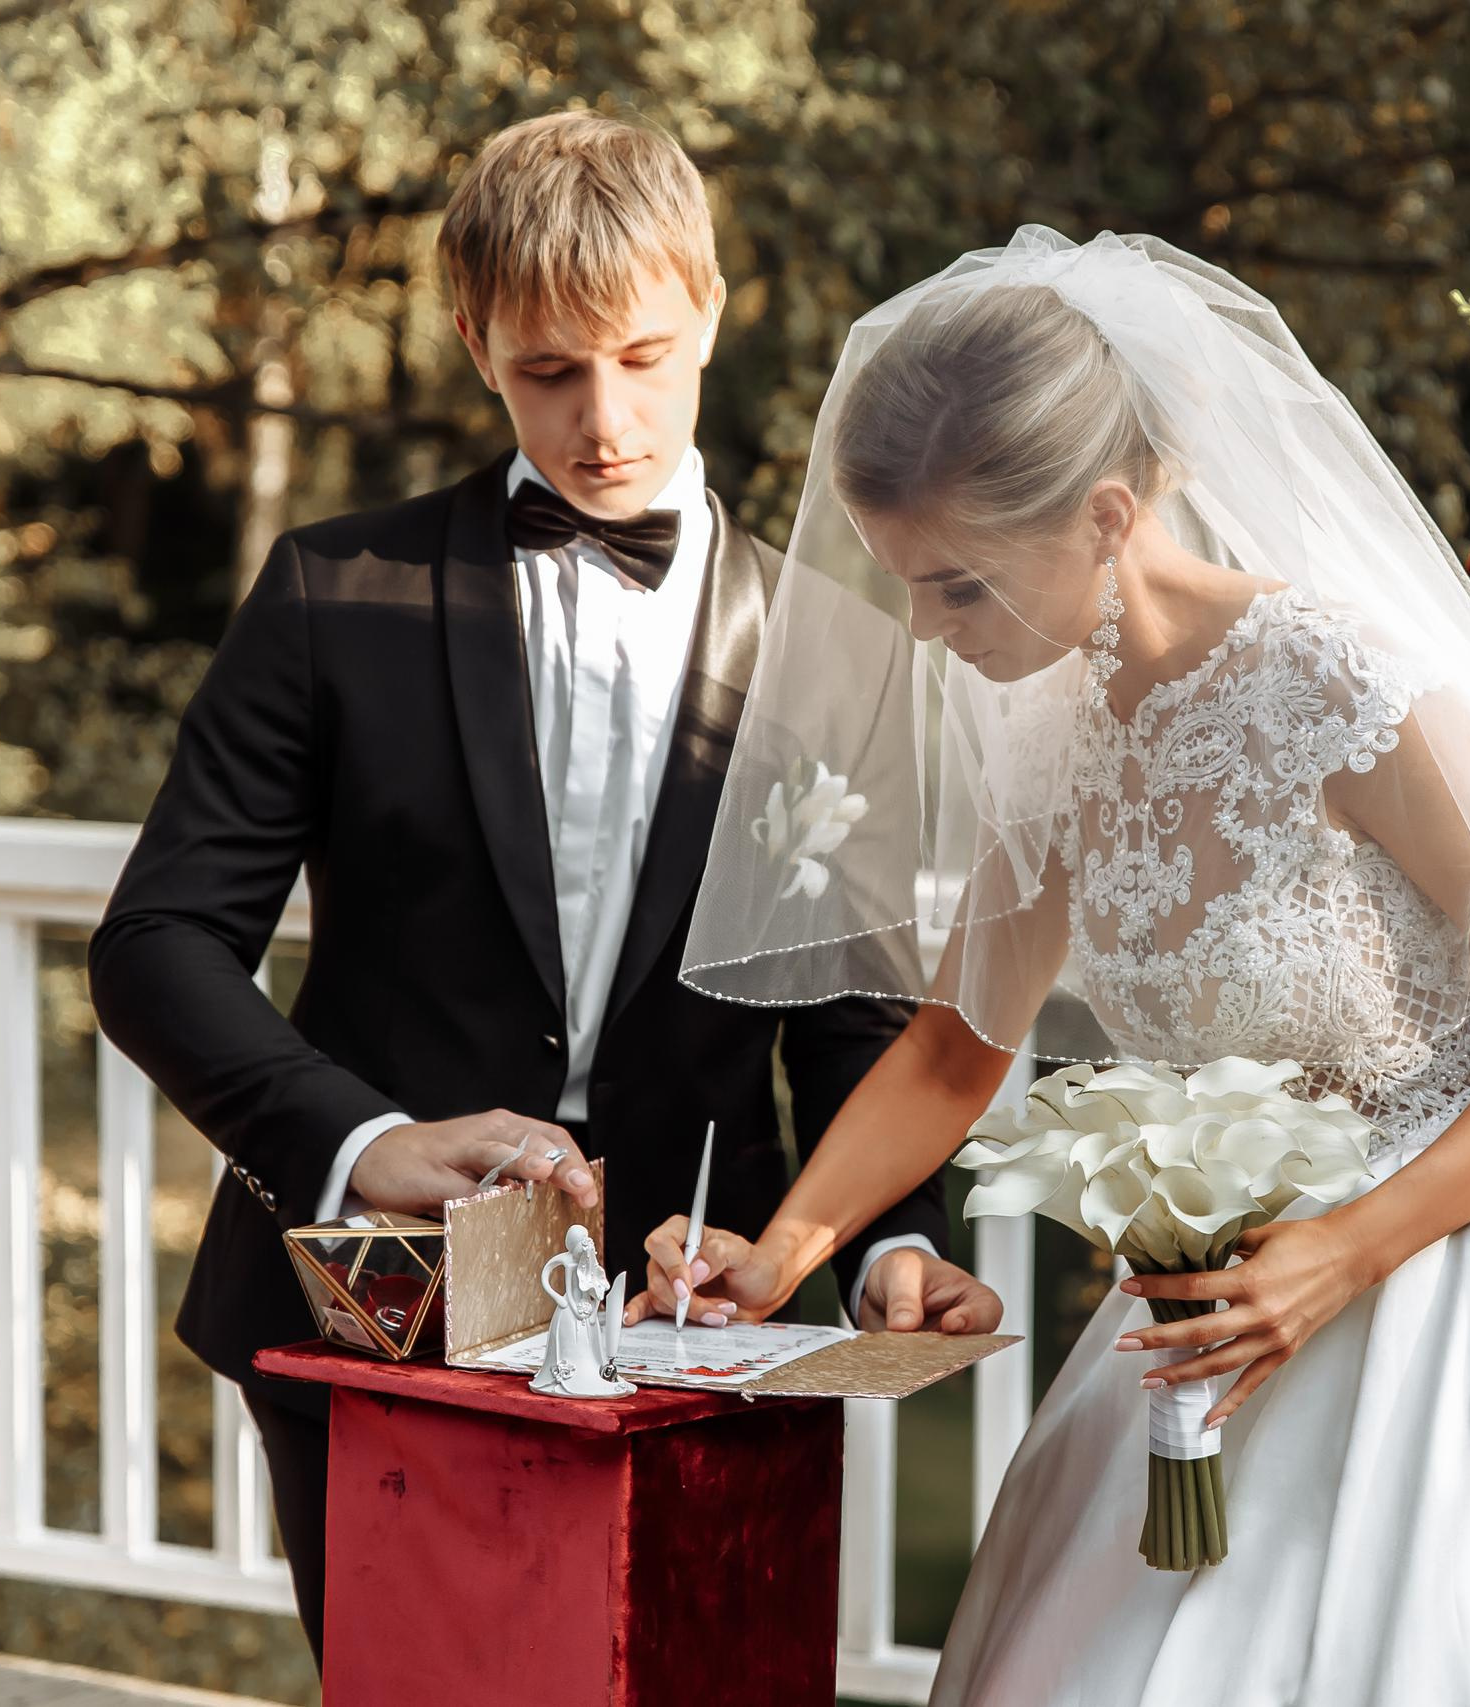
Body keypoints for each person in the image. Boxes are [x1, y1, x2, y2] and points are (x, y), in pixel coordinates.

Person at [638, 229, 1470, 1703]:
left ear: (1106, 516)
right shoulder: (1048, 729)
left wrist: (1351, 1251)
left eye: (959, 586)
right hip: (1212, 1314)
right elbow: (956, 1049)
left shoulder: (1342, 682)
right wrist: (776, 1258)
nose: (924, 628)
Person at [88, 112, 999, 1667]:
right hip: (378, 1308)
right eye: (550, 371)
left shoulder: (842, 648)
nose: (605, 422)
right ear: (472, 342)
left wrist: (893, 1236)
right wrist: (364, 1144)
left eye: (645, 356)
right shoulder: (329, 593)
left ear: (713, 307)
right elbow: (157, 946)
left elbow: (852, 1010)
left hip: (702, 1324)